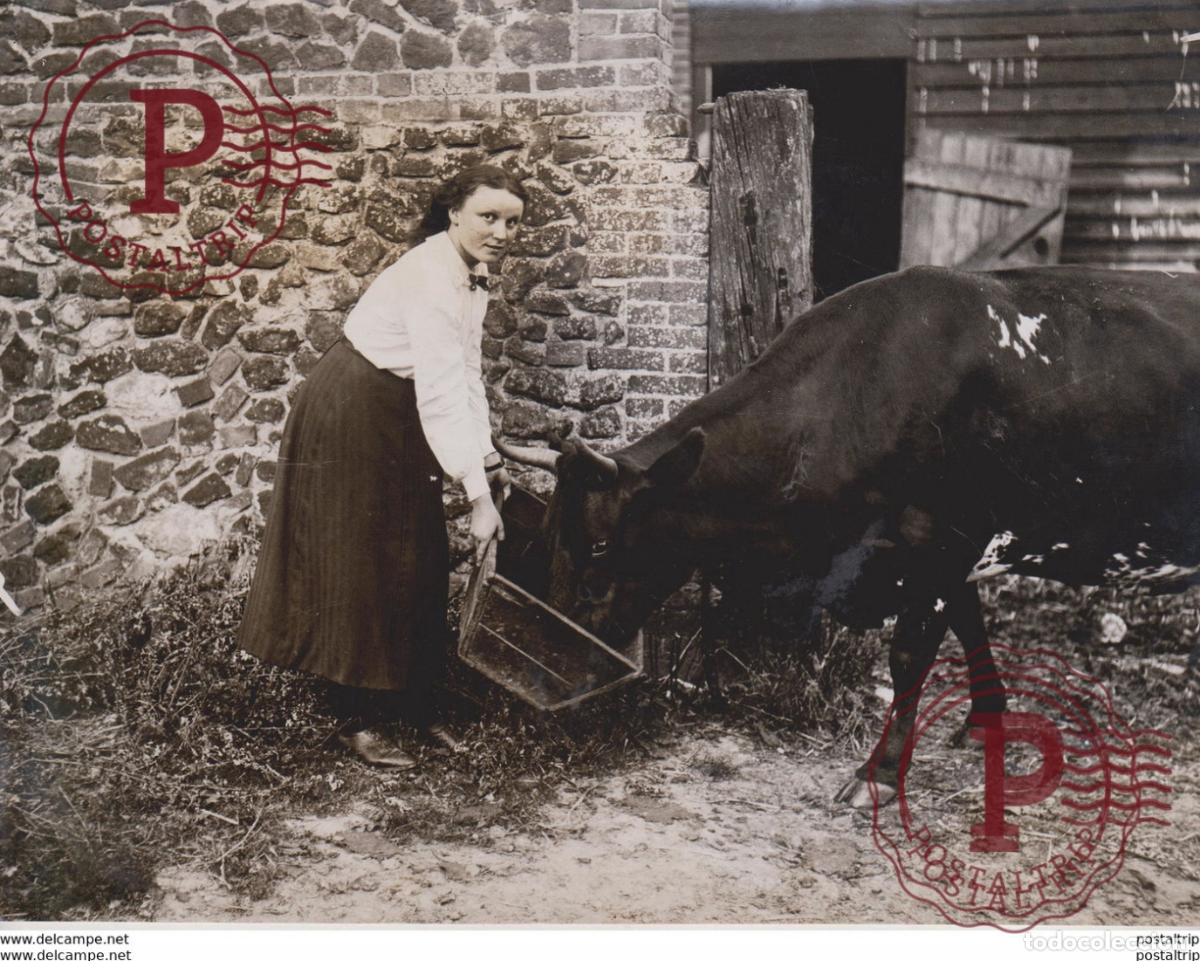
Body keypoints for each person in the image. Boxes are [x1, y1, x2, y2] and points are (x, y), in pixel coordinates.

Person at [239, 165, 526, 768]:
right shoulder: (428, 277)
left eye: (511, 222)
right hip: (352, 410)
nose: (500, 232)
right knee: (361, 560)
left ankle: (414, 707)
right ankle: (359, 720)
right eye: (488, 217)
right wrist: (477, 498)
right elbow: (441, 393)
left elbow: (466, 373)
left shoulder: (469, 276)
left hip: (395, 411)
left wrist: (487, 457)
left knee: (417, 553)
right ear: (454, 214)